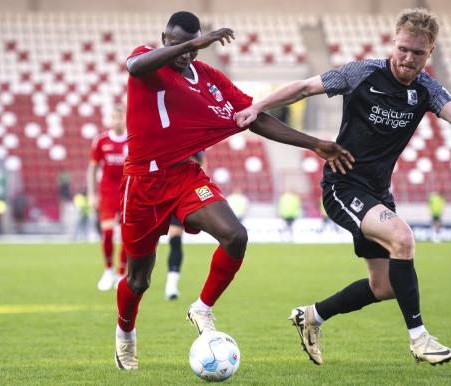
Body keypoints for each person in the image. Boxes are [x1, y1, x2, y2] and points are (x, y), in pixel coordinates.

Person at [235, 8, 451, 366]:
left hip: (377, 192)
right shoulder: (362, 73)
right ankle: (420, 339)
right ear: (394, 43)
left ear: (430, 52)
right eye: (404, 49)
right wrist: (257, 105)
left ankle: (311, 317)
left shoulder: (427, 89)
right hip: (343, 186)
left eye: (418, 53)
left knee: (385, 287)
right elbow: (303, 87)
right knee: (403, 238)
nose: (408, 58)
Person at [114, 11, 353, 370]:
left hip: (184, 177)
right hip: (143, 183)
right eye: (177, 44)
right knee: (138, 279)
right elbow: (134, 66)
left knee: (235, 235)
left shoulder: (209, 78)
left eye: (191, 47)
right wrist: (195, 43)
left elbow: (252, 116)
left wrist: (314, 143)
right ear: (165, 38)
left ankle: (201, 308)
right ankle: (126, 334)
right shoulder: (147, 59)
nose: (186, 53)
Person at [87, 105, 128, 291]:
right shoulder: (101, 140)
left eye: (120, 117)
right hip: (108, 192)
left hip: (128, 191)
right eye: (113, 117)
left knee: (127, 236)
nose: (117, 121)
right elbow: (92, 168)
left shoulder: (133, 139)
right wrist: (91, 193)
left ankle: (121, 273)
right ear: (109, 120)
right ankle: (108, 270)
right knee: (108, 233)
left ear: (125, 118)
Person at [164, 151, 205, 301]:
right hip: (158, 191)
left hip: (180, 194)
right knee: (147, 244)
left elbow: (200, 161)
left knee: (175, 239)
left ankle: (171, 285)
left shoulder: (195, 141)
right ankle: (133, 280)